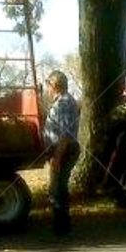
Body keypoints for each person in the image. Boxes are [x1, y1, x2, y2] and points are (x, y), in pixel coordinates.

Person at [43, 70, 80, 236]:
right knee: (57, 187)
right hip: (60, 149)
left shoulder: (64, 103)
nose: (47, 90)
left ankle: (62, 228)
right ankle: (61, 225)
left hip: (64, 149)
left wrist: (57, 157)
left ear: (54, 85)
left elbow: (65, 134)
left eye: (48, 86)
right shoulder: (61, 102)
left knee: (58, 188)